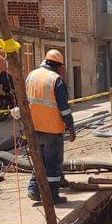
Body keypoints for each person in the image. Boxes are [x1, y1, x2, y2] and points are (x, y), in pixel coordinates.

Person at [26, 49, 74, 205]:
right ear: (58, 66)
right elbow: (64, 108)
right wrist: (70, 126)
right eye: (61, 67)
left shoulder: (31, 75)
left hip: (33, 127)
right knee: (53, 163)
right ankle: (53, 195)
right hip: (52, 128)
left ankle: (34, 188)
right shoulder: (56, 80)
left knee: (39, 160)